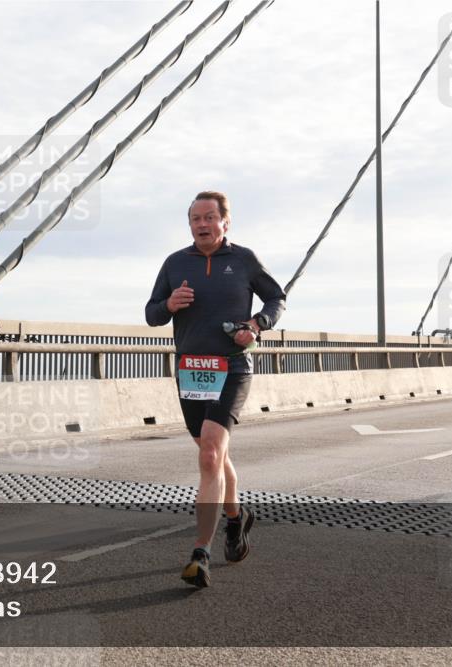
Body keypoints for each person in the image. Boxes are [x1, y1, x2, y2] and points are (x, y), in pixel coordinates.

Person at [144, 190, 285, 588]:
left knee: (209, 453)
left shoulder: (243, 260)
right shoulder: (175, 263)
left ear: (225, 222)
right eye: (195, 219)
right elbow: (152, 313)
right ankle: (238, 517)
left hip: (232, 367)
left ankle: (199, 553)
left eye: (209, 218)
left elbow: (277, 298)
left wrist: (256, 325)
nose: (202, 225)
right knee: (215, 457)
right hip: (191, 370)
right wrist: (169, 305)